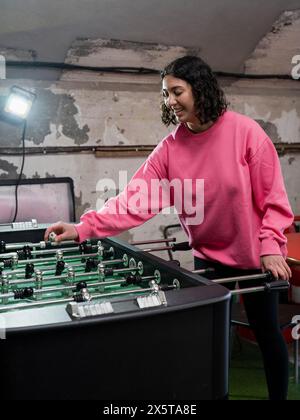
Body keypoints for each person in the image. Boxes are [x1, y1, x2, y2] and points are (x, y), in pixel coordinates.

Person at [45, 55, 294, 400]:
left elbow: (274, 199)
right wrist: (83, 227)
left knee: (267, 334)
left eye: (177, 91)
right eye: (165, 94)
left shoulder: (246, 133)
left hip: (256, 257)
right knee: (212, 338)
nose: (170, 101)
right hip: (210, 255)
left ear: (200, 89)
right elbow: (134, 199)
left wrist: (270, 245)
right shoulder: (170, 148)